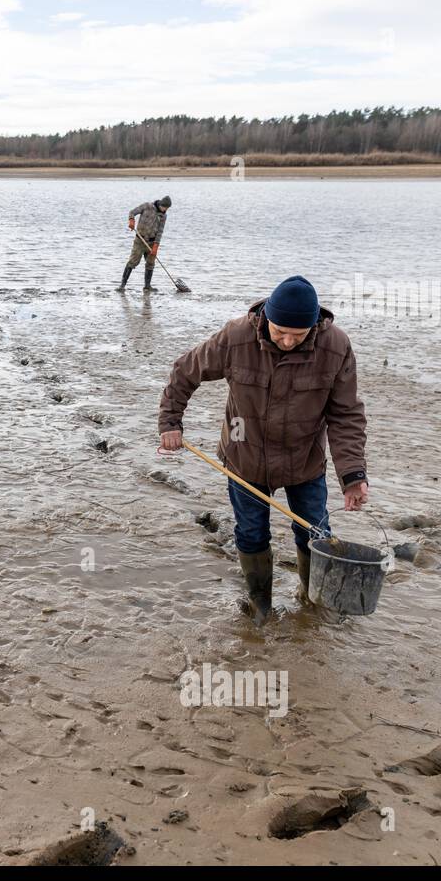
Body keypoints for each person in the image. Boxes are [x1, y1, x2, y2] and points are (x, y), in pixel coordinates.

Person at [157, 275, 369, 623]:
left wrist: (353, 476)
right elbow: (184, 372)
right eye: (279, 331)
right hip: (245, 457)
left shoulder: (335, 347)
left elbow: (346, 415)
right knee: (252, 532)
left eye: (297, 336)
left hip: (304, 461)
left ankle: (313, 600)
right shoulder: (236, 337)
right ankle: (260, 605)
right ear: (265, 318)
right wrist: (170, 424)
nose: (287, 341)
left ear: (314, 326)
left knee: (315, 533)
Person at [119, 195, 171, 292]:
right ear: (161, 204)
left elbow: (160, 231)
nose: (166, 210)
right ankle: (122, 285)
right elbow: (132, 212)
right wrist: (131, 220)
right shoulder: (147, 206)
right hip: (140, 241)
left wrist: (156, 245)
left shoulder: (163, 216)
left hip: (152, 242)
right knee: (133, 262)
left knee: (150, 263)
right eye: (165, 207)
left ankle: (147, 286)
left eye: (167, 208)